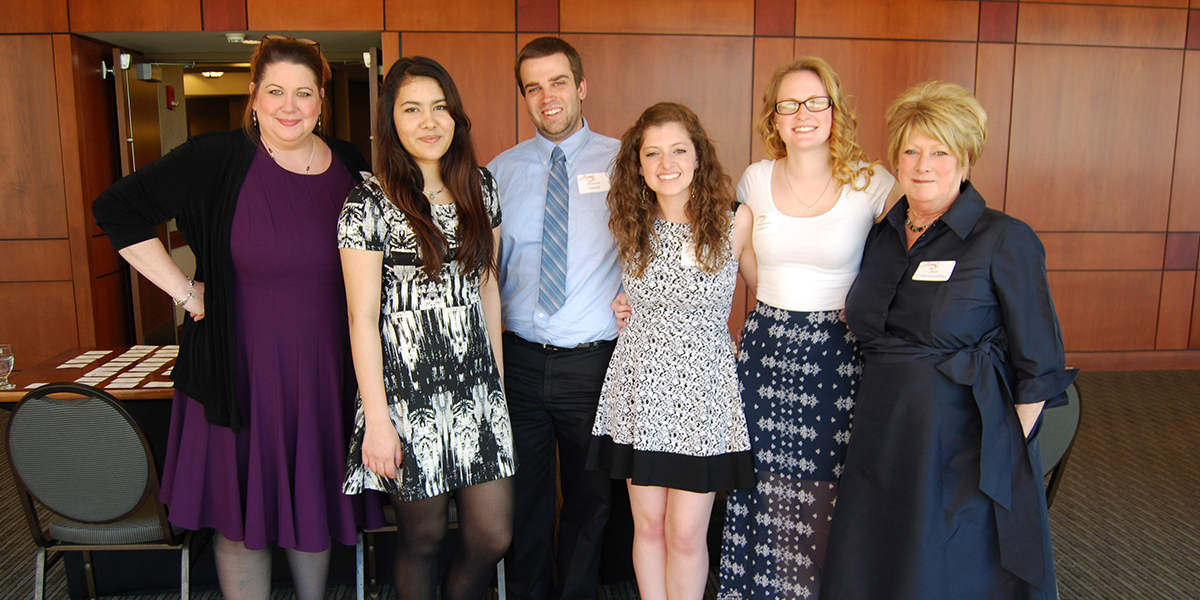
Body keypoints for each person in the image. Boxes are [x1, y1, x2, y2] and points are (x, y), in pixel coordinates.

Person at [91, 35, 383, 599]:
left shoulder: (351, 163)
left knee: (312, 508)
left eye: (303, 93)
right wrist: (185, 292)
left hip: (327, 371)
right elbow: (116, 209)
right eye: (275, 92)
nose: (289, 106)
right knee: (241, 519)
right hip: (239, 371)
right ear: (253, 95)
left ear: (322, 99)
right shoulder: (216, 157)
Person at [820, 81, 1076, 600]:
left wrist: (1001, 454)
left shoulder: (1004, 238)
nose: (923, 164)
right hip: (880, 428)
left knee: (948, 569)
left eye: (940, 151)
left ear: (965, 158)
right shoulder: (883, 233)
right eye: (911, 150)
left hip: (962, 440)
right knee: (878, 558)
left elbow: (1039, 369)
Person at [716, 56, 898, 600]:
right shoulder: (755, 178)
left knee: (825, 487)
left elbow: (911, 254)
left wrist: (861, 303)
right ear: (773, 118)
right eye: (788, 104)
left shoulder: (873, 182)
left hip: (837, 351)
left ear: (834, 110)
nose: (802, 114)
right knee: (762, 483)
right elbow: (738, 256)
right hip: (766, 345)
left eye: (815, 102)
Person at [338, 56, 515, 600]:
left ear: (455, 117)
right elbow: (360, 319)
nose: (429, 121)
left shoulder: (479, 187)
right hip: (405, 397)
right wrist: (377, 423)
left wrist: (499, 391)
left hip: (476, 389)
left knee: (492, 536)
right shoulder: (365, 201)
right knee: (423, 538)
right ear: (390, 121)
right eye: (411, 109)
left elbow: (488, 292)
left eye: (440, 107)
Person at [589, 102, 757, 600]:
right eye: (653, 153)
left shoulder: (735, 221)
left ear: (699, 156)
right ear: (638, 165)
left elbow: (770, 294)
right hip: (640, 391)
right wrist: (620, 304)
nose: (667, 163)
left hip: (702, 396)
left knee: (686, 534)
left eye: (679, 150)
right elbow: (618, 289)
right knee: (649, 526)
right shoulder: (628, 223)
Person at [487, 37, 624, 600]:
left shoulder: (627, 162)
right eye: (533, 87)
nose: (547, 97)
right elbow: (484, 272)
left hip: (595, 365)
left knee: (592, 499)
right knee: (525, 498)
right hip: (518, 361)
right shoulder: (499, 171)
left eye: (558, 82)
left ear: (581, 86)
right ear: (524, 95)